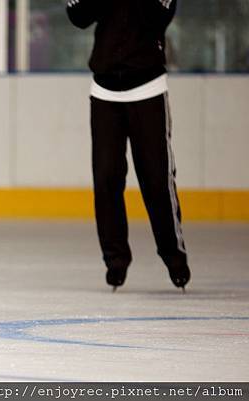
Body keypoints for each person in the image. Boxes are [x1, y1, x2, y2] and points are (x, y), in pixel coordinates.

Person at [66, 0, 191, 291]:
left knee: (157, 181)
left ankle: (174, 256)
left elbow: (159, 17)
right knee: (107, 178)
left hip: (148, 88)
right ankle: (116, 260)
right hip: (104, 92)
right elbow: (78, 16)